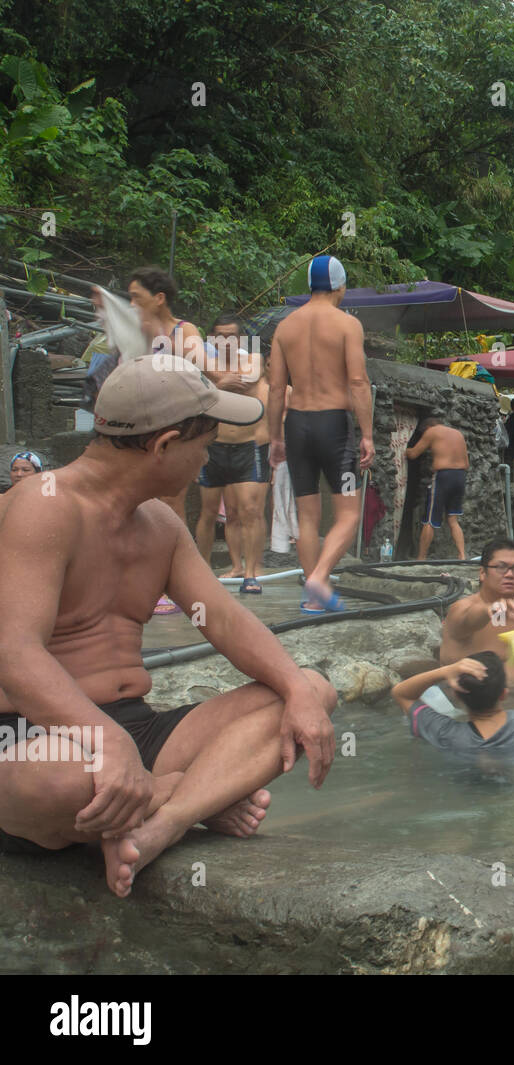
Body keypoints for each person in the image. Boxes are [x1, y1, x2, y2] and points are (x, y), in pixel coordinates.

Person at [0, 355, 338, 896]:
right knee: (65, 783)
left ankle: (165, 819)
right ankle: (192, 794)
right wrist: (106, 741)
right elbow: (15, 654)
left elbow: (225, 621)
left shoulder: (160, 524)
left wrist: (296, 689)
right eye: (203, 445)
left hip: (139, 729)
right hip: (35, 738)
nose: (208, 460)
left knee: (311, 692)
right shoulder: (43, 508)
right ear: (164, 445)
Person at [267, 255, 375, 613]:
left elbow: (276, 389)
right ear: (340, 288)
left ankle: (314, 597)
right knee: (348, 514)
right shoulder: (347, 325)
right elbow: (358, 381)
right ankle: (319, 578)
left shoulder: (285, 328)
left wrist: (276, 439)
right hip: (333, 426)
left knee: (307, 516)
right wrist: (367, 434)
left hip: (296, 425)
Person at [195, 314, 271, 591]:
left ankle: (250, 573)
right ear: (212, 340)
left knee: (250, 509)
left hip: (246, 445)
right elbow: (197, 396)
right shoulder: (206, 366)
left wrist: (214, 385)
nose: (225, 341)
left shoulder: (253, 361)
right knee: (208, 512)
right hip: (213, 446)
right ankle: (202, 572)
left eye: (231, 336)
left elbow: (247, 381)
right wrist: (219, 385)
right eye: (220, 336)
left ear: (239, 339)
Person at [127, 266, 205, 527]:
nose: (131, 303)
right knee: (138, 499)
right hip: (137, 426)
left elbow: (201, 366)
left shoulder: (185, 331)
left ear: (159, 298)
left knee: (171, 500)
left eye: (137, 297)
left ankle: (177, 562)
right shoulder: (133, 332)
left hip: (175, 427)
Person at [391, 644, 514, 757]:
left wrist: (447, 671)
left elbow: (401, 693)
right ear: (504, 694)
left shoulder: (445, 734)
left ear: (457, 696)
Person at [439, 539, 514, 690]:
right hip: (473, 706)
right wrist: (489, 610)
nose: (509, 574)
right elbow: (469, 620)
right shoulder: (461, 609)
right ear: (482, 573)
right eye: (501, 567)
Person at [406, 415, 469, 560]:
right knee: (453, 519)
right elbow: (467, 463)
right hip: (460, 476)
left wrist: (404, 448)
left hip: (443, 476)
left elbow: (414, 454)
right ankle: (462, 555)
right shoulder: (458, 434)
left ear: (427, 428)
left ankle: (421, 558)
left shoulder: (432, 431)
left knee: (430, 519)